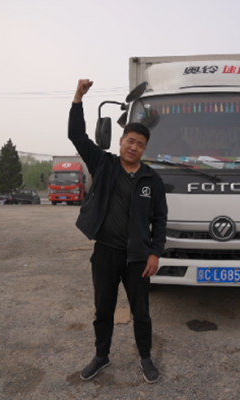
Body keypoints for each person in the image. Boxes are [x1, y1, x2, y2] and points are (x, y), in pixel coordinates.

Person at [68, 79, 168, 384]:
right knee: (103, 310)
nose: (134, 147)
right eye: (130, 141)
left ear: (144, 149)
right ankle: (101, 356)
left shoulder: (152, 180)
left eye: (140, 144)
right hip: (105, 254)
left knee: (141, 312)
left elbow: (160, 220)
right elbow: (76, 135)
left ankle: (146, 358)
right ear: (121, 141)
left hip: (138, 258)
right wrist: (78, 98)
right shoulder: (103, 164)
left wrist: (155, 253)